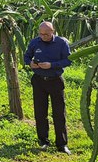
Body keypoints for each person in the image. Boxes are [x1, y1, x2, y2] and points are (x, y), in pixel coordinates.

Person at [23, 21, 72, 154]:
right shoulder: (35, 42)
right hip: (39, 80)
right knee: (40, 112)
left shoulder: (61, 43)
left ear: (53, 32)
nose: (43, 36)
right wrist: (30, 63)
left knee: (59, 113)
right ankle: (43, 141)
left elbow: (68, 60)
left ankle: (62, 144)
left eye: (46, 34)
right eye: (41, 34)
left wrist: (52, 65)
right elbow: (26, 56)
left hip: (55, 80)